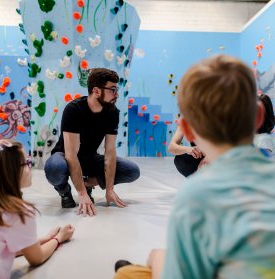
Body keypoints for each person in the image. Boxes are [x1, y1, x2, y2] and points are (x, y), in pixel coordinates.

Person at [116, 55, 275, 279]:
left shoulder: (197, 195)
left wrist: (158, 258)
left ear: (188, 130)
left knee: (132, 271)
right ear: (259, 116)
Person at [44, 68, 140, 216]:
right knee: (54, 168)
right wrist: (81, 193)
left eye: (117, 89)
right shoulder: (74, 109)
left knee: (132, 170)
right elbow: (71, 154)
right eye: (112, 89)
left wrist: (109, 189)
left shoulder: (112, 113)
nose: (117, 94)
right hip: (65, 156)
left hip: (89, 158)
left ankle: (89, 182)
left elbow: (110, 152)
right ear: (96, 91)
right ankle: (65, 192)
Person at [0, 140, 75, 279]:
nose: (30, 166)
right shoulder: (17, 211)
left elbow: (4, 248)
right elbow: (36, 258)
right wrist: (59, 238)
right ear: (12, 172)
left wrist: (45, 239)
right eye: (26, 162)